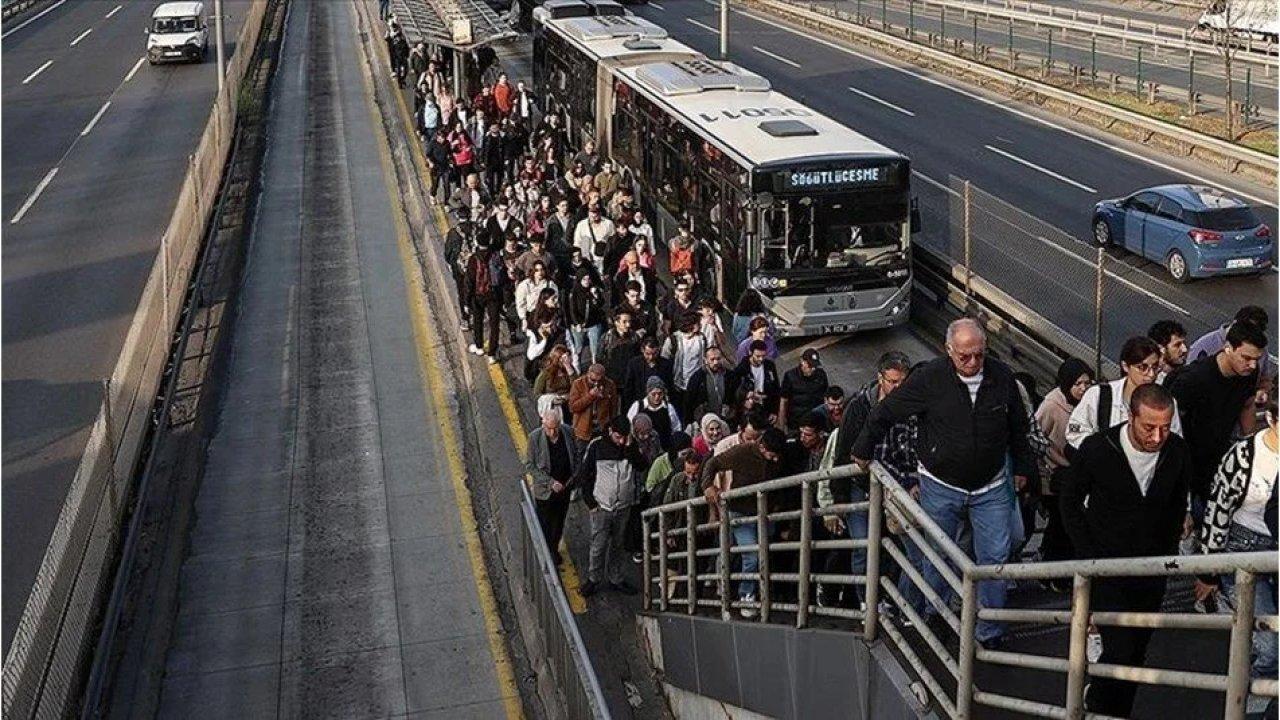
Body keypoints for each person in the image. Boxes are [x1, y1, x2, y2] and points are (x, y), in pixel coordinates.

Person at [852, 319, 1034, 649]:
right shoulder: (930, 378)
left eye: (979, 355)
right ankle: (935, 617)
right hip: (940, 485)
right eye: (965, 357)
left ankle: (989, 630)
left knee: (994, 558)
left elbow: (1018, 427)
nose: (973, 363)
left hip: (990, 486)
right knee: (937, 555)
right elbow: (887, 410)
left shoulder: (1001, 377)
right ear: (949, 351)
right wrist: (863, 449)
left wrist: (1023, 467)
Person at [1059, 384, 1192, 717]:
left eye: (1165, 426)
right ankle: (1099, 706)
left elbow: (1177, 503)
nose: (1158, 436)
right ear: (1131, 417)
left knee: (1137, 651)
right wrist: (1087, 557)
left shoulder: (1177, 451)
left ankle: (1117, 711)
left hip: (1151, 571)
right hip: (1106, 569)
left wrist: (1169, 552)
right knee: (1119, 648)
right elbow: (1069, 502)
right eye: (1149, 427)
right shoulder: (1097, 448)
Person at [1195, 386, 1277, 709]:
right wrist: (1209, 571)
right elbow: (1217, 511)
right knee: (1270, 645)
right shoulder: (1244, 455)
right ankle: (1251, 709)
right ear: (1270, 418)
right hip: (1245, 548)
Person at [820, 351, 911, 609]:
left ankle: (886, 597)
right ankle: (865, 600)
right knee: (863, 546)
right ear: (880, 378)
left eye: (902, 382)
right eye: (893, 381)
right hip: (861, 486)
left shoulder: (910, 405)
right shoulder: (859, 408)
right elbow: (842, 454)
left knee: (893, 545)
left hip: (895, 485)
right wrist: (838, 501)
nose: (898, 387)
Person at [1170, 320, 1268, 514]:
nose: (1252, 365)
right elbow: (1171, 420)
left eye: (1257, 359)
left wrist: (1249, 443)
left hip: (1218, 457)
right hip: (1187, 460)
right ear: (1228, 348)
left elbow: (1247, 404)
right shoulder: (1193, 379)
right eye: (1246, 358)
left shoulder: (1248, 373)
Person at [701, 427, 788, 617]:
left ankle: (747, 589)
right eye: (772, 455)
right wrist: (708, 486)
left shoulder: (778, 457)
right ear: (762, 447)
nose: (775, 460)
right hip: (740, 512)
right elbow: (712, 463)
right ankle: (746, 595)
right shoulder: (743, 452)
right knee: (751, 554)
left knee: (754, 553)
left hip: (766, 513)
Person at [1066, 336, 1184, 451]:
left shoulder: (1166, 402)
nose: (1151, 374)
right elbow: (1075, 431)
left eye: (1155, 367)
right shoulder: (1099, 395)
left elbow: (1175, 443)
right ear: (1126, 366)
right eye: (1142, 367)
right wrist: (1101, 451)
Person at [1034, 358, 1095, 573]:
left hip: (1076, 470)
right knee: (1060, 520)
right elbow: (1039, 437)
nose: (1083, 389)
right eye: (1077, 384)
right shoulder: (1052, 405)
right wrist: (1062, 462)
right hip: (1052, 471)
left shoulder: (1090, 403)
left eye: (1087, 383)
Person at [574, 415, 645, 597]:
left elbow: (641, 465)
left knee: (619, 544)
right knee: (598, 545)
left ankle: (616, 578)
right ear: (611, 432)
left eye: (624, 437)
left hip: (624, 506)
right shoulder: (597, 446)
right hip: (602, 507)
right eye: (618, 437)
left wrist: (630, 449)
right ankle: (593, 578)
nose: (621, 441)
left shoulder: (630, 446)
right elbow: (585, 474)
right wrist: (590, 503)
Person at [526, 408, 580, 565]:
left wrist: (573, 476)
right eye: (549, 428)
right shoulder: (534, 438)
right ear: (543, 424)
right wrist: (550, 483)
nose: (553, 431)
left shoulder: (568, 432)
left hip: (564, 489)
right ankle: (544, 551)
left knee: (559, 521)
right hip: (545, 492)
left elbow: (576, 454)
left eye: (555, 427)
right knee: (545, 523)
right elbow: (530, 465)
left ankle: (553, 548)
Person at [1188, 306, 1273, 376]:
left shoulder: (1259, 348)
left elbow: (1264, 378)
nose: (1252, 365)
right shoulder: (1204, 346)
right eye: (1246, 358)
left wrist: (1262, 390)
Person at [464, 240, 505, 365]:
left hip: (478, 295)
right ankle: (492, 354)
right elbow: (502, 277)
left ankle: (479, 346)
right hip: (493, 295)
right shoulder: (496, 256)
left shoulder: (473, 258)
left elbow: (469, 282)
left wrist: (466, 301)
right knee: (494, 325)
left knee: (478, 320)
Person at [662, 312, 707, 416]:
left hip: (696, 384)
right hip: (678, 385)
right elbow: (664, 360)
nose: (700, 325)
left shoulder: (701, 339)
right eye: (697, 323)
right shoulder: (673, 340)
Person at [728, 339, 781, 422]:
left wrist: (774, 411)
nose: (761, 359)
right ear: (750, 353)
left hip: (765, 408)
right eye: (758, 356)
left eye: (763, 356)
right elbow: (733, 391)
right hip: (748, 410)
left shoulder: (769, 366)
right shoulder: (741, 369)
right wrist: (744, 400)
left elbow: (776, 389)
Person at [779, 349, 829, 432]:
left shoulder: (821, 375)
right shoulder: (790, 376)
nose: (812, 369)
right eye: (809, 366)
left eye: (814, 366)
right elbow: (784, 401)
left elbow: (826, 399)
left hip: (816, 423)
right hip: (796, 424)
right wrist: (781, 427)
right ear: (802, 361)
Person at [568, 364, 619, 445]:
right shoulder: (578, 384)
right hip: (583, 429)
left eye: (599, 381)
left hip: (602, 428)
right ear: (588, 374)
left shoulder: (610, 385)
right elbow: (573, 407)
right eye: (593, 380)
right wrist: (590, 396)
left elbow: (614, 408)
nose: (596, 383)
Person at [627, 377, 682, 449]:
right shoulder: (638, 406)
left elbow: (676, 428)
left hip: (663, 448)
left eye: (660, 394)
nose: (657, 397)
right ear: (648, 392)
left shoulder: (668, 408)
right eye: (653, 394)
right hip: (640, 449)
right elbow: (628, 426)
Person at [622, 336, 675, 411]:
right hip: (639, 405)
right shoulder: (634, 364)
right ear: (642, 350)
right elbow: (628, 388)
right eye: (647, 354)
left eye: (654, 354)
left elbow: (669, 387)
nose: (651, 357)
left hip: (659, 406)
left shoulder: (666, 365)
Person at [568, 268, 607, 368]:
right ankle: (577, 367)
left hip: (593, 323)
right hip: (579, 324)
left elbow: (600, 305)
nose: (587, 282)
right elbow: (572, 309)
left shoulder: (593, 290)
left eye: (588, 279)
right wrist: (576, 323)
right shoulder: (574, 292)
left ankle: (595, 366)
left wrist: (595, 296)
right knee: (578, 347)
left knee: (595, 348)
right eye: (584, 279)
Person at [685, 346, 732, 423]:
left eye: (718, 359)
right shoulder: (697, 378)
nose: (716, 362)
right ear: (706, 360)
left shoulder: (729, 375)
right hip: (704, 420)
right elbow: (688, 402)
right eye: (712, 359)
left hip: (724, 419)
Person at [533, 344, 576, 422]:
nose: (567, 360)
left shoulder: (569, 370)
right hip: (552, 409)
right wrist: (551, 400)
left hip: (568, 407)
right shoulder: (545, 374)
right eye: (563, 358)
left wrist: (568, 367)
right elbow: (537, 394)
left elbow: (576, 386)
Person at [599, 309, 639, 383]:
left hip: (628, 377)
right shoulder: (607, 337)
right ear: (616, 323)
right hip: (612, 377)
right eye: (624, 322)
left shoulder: (634, 337)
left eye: (629, 321)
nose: (628, 325)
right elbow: (600, 357)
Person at [573, 203, 615, 276]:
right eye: (592, 212)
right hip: (587, 260)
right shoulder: (581, 225)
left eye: (597, 212)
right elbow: (577, 244)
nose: (594, 214)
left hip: (604, 260)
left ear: (600, 212)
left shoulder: (608, 224)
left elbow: (614, 241)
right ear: (588, 212)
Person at [514, 261, 556, 330]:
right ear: (533, 271)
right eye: (537, 270)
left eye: (542, 269)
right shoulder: (525, 285)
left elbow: (555, 300)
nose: (540, 272)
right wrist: (523, 319)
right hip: (530, 315)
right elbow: (520, 303)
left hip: (546, 315)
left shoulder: (550, 284)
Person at [1148, 319, 1188, 383]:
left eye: (1184, 343)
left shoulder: (1189, 375)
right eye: (1177, 345)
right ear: (1161, 349)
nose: (1184, 349)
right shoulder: (1149, 380)